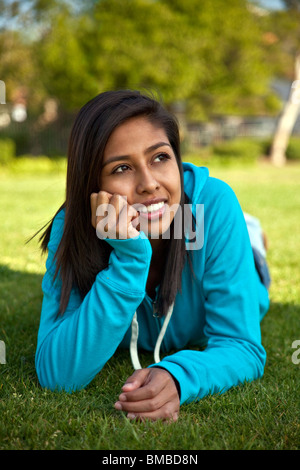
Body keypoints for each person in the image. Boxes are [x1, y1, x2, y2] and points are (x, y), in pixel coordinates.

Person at [35, 90, 270, 422]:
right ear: (92, 183)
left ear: (176, 158)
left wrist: (178, 376)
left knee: (257, 289)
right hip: (151, 230)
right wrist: (129, 260)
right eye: (121, 168)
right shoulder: (72, 228)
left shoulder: (212, 206)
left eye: (160, 157)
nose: (148, 183)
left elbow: (242, 347)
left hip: (220, 240)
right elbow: (56, 372)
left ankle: (251, 240)